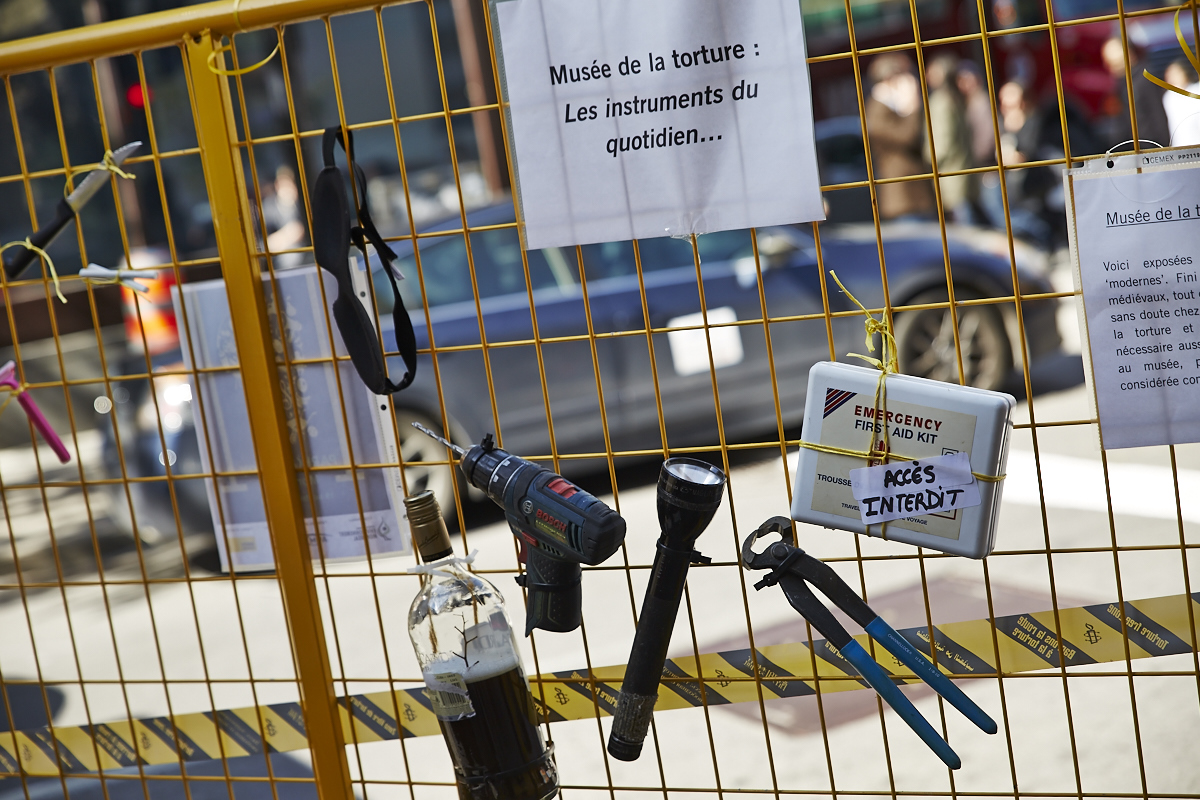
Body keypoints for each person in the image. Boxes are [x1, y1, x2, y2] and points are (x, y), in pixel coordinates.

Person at [865, 52, 935, 220]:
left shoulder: (894, 107)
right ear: (889, 78)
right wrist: (912, 107)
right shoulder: (877, 110)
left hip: (917, 196)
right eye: (904, 76)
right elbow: (907, 137)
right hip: (904, 199)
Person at [923, 54, 976, 223]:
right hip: (962, 170)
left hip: (950, 173)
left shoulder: (941, 101)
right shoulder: (956, 97)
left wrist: (928, 160)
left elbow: (942, 142)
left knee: (963, 225)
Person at [1100, 37, 1170, 148]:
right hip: (1135, 149)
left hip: (1152, 148)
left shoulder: (1145, 80)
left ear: (1129, 54)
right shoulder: (1122, 84)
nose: (1110, 67)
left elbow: (1158, 117)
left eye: (1114, 63)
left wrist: (1161, 150)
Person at [1162, 58, 1200, 146]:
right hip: (1180, 144)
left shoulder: (1197, 90)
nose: (1172, 77)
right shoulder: (1169, 97)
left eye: (1176, 73)